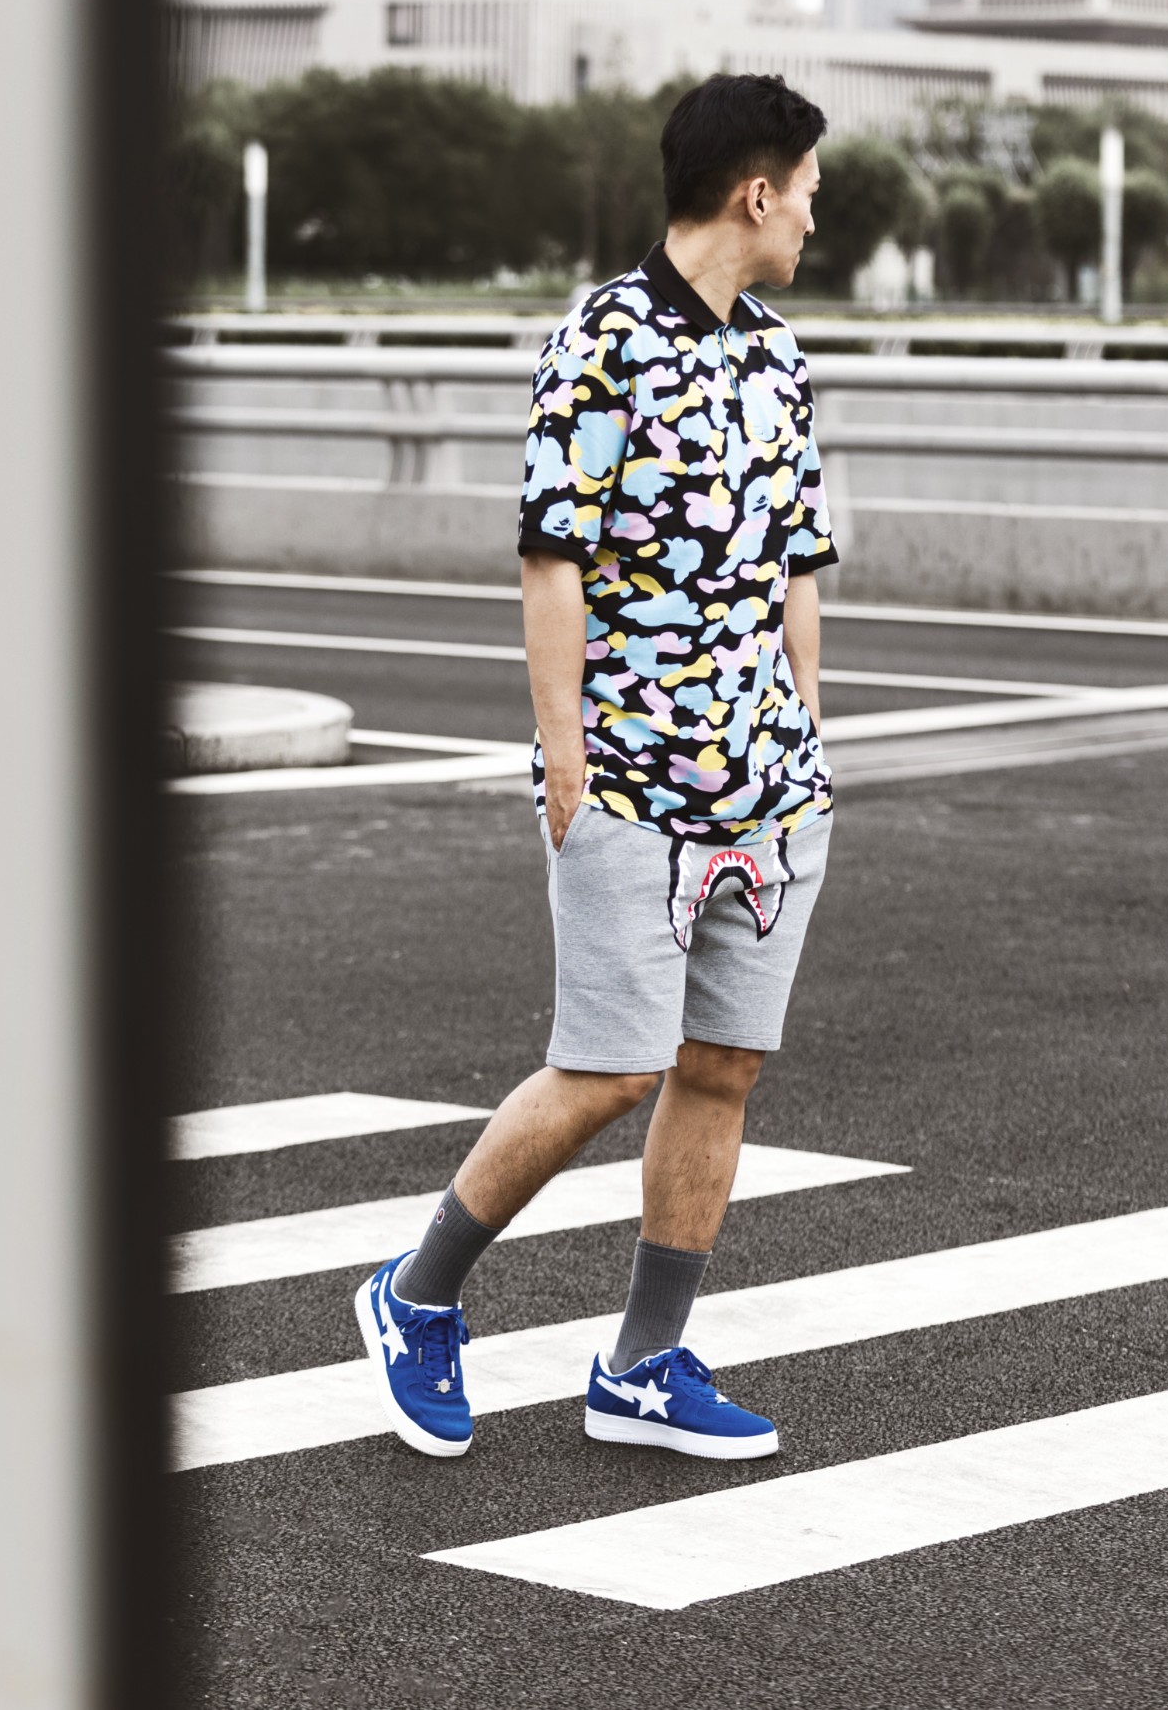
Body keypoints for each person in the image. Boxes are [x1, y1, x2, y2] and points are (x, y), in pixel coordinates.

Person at [355, 71, 837, 1461]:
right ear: (756, 192)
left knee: (721, 1065)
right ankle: (416, 1292)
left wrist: (808, 739)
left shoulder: (780, 357)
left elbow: (798, 565)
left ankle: (643, 1364)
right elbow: (551, 558)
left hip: (766, 786)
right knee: (611, 1067)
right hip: (629, 773)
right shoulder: (604, 341)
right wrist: (567, 762)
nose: (815, 219)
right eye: (808, 193)